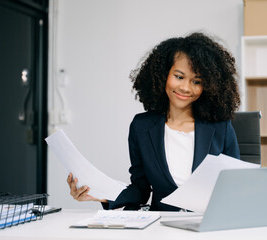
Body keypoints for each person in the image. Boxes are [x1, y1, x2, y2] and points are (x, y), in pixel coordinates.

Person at [67, 32, 241, 211]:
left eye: (196, 81)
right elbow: (141, 190)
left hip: (207, 223)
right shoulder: (141, 127)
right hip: (161, 226)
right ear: (164, 75)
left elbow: (235, 185)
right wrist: (101, 195)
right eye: (179, 77)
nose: (186, 87)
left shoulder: (220, 127)